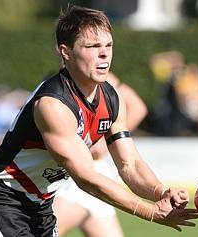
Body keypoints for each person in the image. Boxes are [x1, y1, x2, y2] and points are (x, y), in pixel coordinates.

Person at [0, 5, 198, 237]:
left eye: (108, 46)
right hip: (1, 197)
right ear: (65, 52)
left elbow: (129, 164)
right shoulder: (53, 105)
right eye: (93, 46)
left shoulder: (112, 98)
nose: (104, 54)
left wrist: (161, 192)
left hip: (41, 205)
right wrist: (149, 211)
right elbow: (86, 177)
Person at [53, 71, 148, 237]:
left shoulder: (99, 77)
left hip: (85, 175)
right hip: (76, 174)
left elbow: (138, 107)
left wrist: (104, 142)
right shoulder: (56, 80)